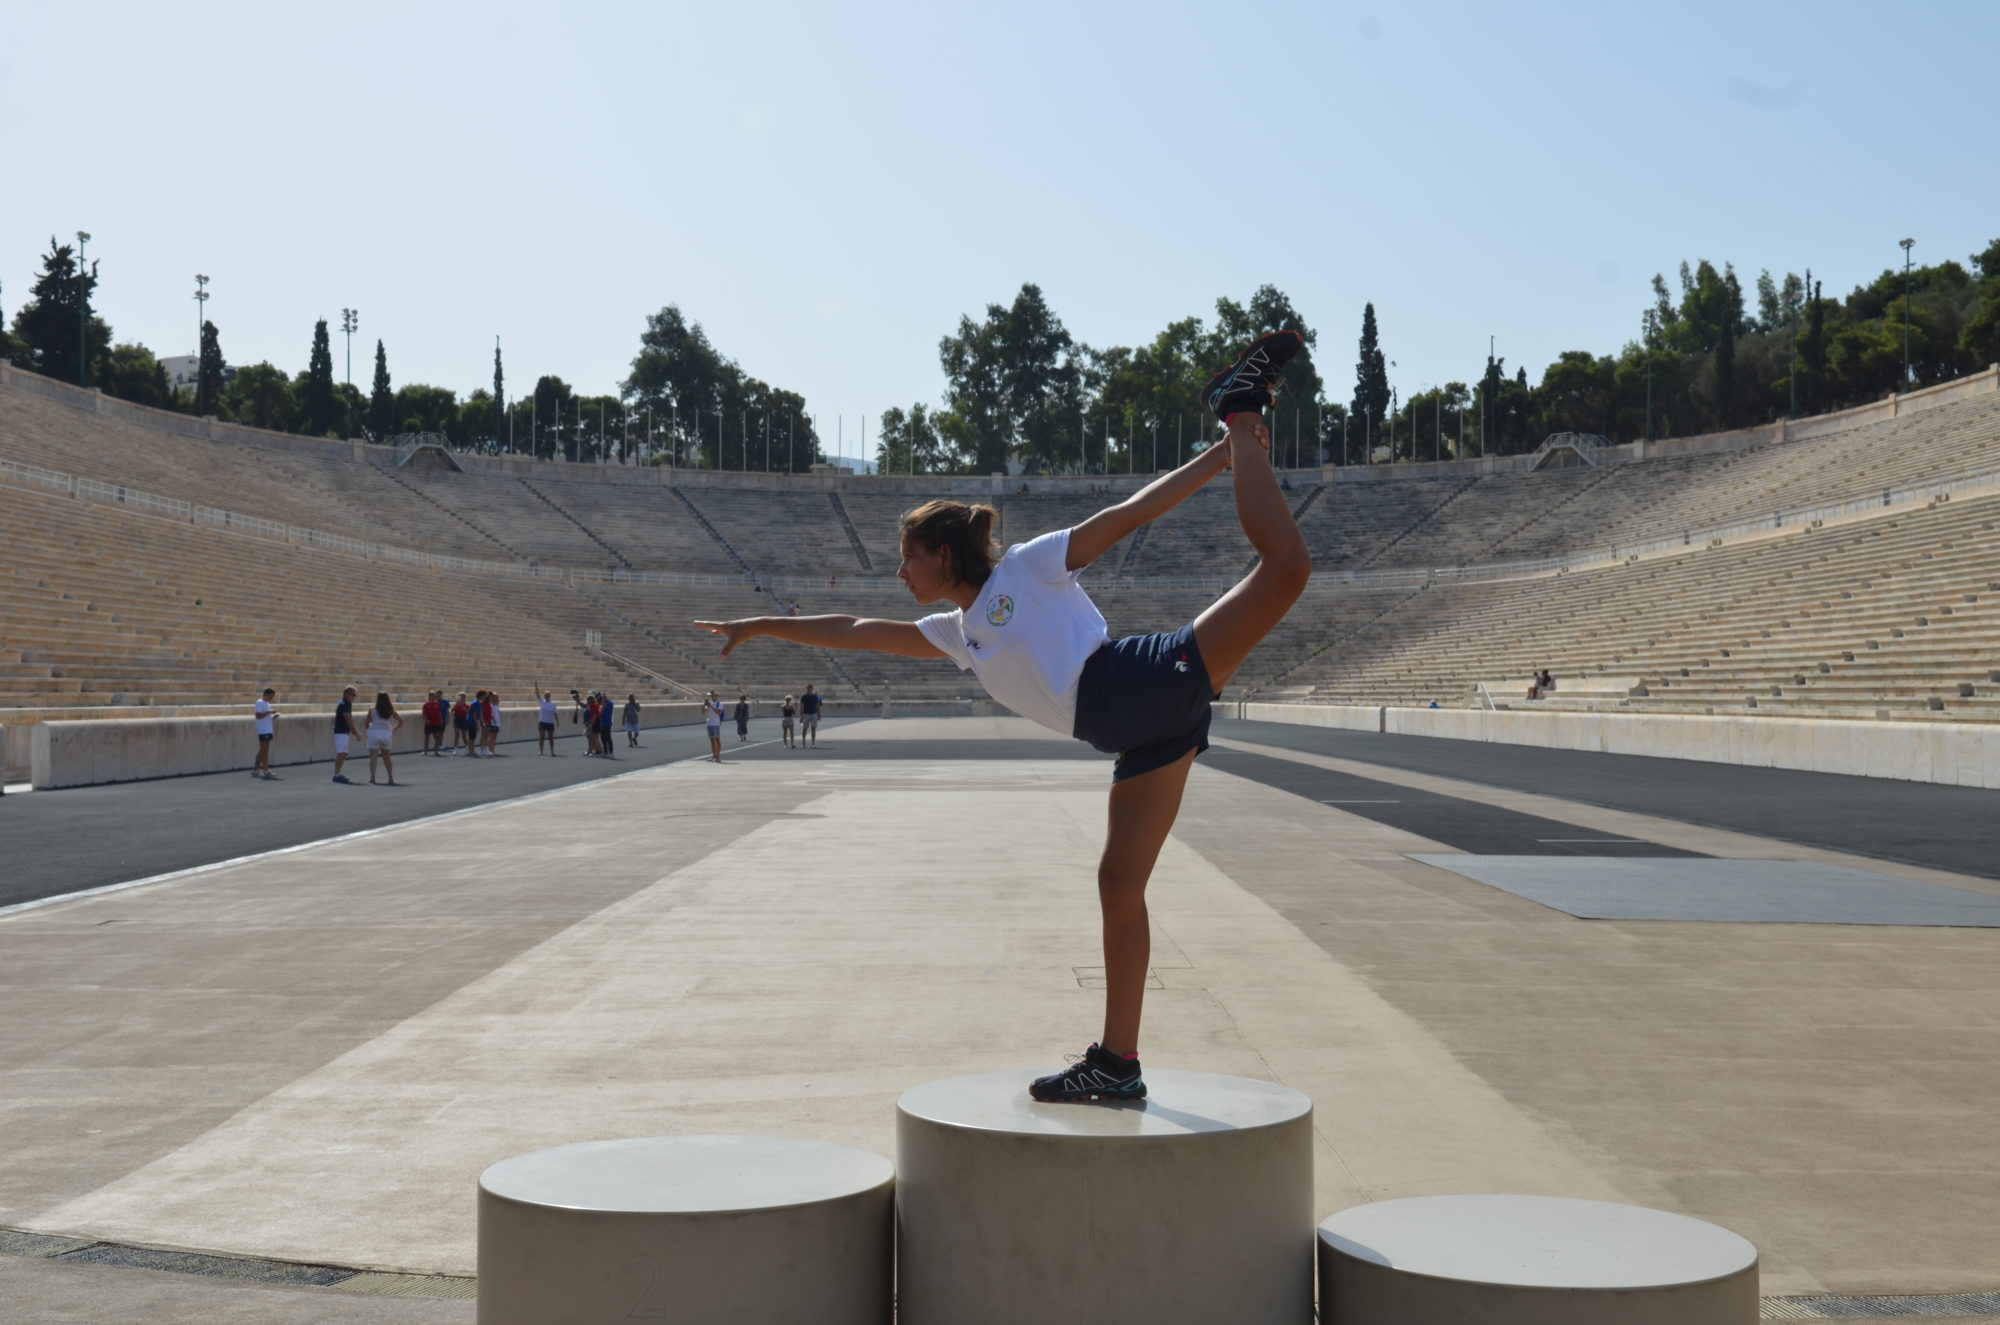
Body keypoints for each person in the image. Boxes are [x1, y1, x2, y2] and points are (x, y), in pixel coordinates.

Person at [697, 331, 1311, 1104]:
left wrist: (1223, 453)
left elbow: (1129, 513)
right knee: (1119, 882)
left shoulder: (1027, 566)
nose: (899, 572)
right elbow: (855, 630)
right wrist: (760, 626)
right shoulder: (962, 634)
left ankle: (1240, 403)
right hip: (1138, 730)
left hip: (1136, 683)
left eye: (908, 556)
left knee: (1286, 569)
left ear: (944, 555)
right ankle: (1117, 1062)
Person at [366, 692, 404, 785]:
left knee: (373, 757)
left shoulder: (372, 710)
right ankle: (390, 777)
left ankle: (372, 777)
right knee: (386, 757)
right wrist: (394, 729)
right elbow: (401, 720)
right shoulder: (390, 710)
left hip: (374, 733)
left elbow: (367, 722)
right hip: (386, 733)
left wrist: (369, 730)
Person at [252, 687, 281, 780]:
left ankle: (265, 769)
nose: (271, 698)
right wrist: (269, 711)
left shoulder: (267, 703)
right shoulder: (259, 702)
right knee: (263, 750)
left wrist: (272, 716)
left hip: (267, 729)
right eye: (271, 696)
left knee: (265, 750)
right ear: (266, 694)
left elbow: (265, 716)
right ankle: (257, 769)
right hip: (263, 730)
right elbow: (258, 715)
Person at [332, 686, 358, 784]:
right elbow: (349, 720)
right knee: (341, 753)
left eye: (354, 695)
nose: (353, 697)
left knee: (343, 753)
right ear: (346, 694)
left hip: (343, 732)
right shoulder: (343, 705)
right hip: (340, 731)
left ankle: (337, 773)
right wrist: (356, 733)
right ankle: (336, 774)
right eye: (352, 695)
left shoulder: (347, 704)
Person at [537, 686, 560, 755]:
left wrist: (557, 721)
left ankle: (552, 751)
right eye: (545, 695)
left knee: (551, 738)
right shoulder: (542, 702)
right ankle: (541, 751)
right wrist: (536, 687)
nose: (546, 696)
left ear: (549, 696)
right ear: (544, 696)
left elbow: (555, 713)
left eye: (547, 695)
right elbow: (537, 694)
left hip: (550, 723)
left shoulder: (553, 704)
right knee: (541, 737)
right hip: (542, 722)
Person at [703, 690, 726, 763]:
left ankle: (718, 756)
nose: (711, 697)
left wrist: (710, 706)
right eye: (711, 696)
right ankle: (714, 756)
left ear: (716, 696)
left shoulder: (720, 703)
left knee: (717, 740)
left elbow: (718, 712)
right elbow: (703, 712)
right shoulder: (710, 704)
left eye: (713, 695)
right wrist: (705, 705)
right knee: (712, 741)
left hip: (716, 723)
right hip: (709, 723)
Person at [421, 691, 445, 756]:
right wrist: (426, 720)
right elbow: (424, 714)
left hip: (436, 722)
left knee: (436, 737)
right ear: (429, 696)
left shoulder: (437, 704)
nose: (433, 697)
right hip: (428, 723)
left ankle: (436, 752)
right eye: (432, 696)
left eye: (434, 696)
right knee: (427, 738)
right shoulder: (426, 704)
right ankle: (425, 751)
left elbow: (439, 712)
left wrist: (441, 720)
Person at [594, 691, 617, 759]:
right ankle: (605, 751)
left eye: (603, 697)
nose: (602, 698)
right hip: (602, 723)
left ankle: (611, 752)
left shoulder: (610, 703)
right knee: (602, 737)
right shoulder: (601, 704)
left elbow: (605, 706)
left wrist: (603, 701)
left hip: (607, 723)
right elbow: (600, 712)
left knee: (608, 738)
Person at [799, 683, 820, 748]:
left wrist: (819, 714)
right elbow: (802, 706)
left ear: (812, 688)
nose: (809, 689)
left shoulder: (815, 696)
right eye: (808, 688)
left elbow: (817, 706)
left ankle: (813, 743)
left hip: (813, 714)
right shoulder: (804, 696)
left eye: (810, 688)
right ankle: (803, 742)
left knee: (813, 729)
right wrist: (801, 716)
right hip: (806, 714)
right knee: (805, 729)